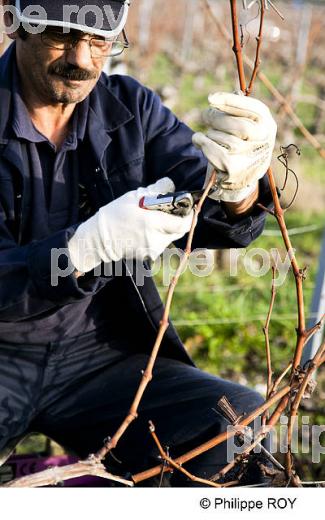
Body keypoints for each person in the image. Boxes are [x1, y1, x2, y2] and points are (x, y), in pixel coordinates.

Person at [0, 0, 277, 486]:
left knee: (237, 427)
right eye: (61, 36)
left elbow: (206, 201)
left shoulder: (128, 109)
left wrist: (240, 186)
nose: (82, 60)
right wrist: (80, 251)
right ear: (15, 23)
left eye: (100, 41)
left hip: (100, 353)